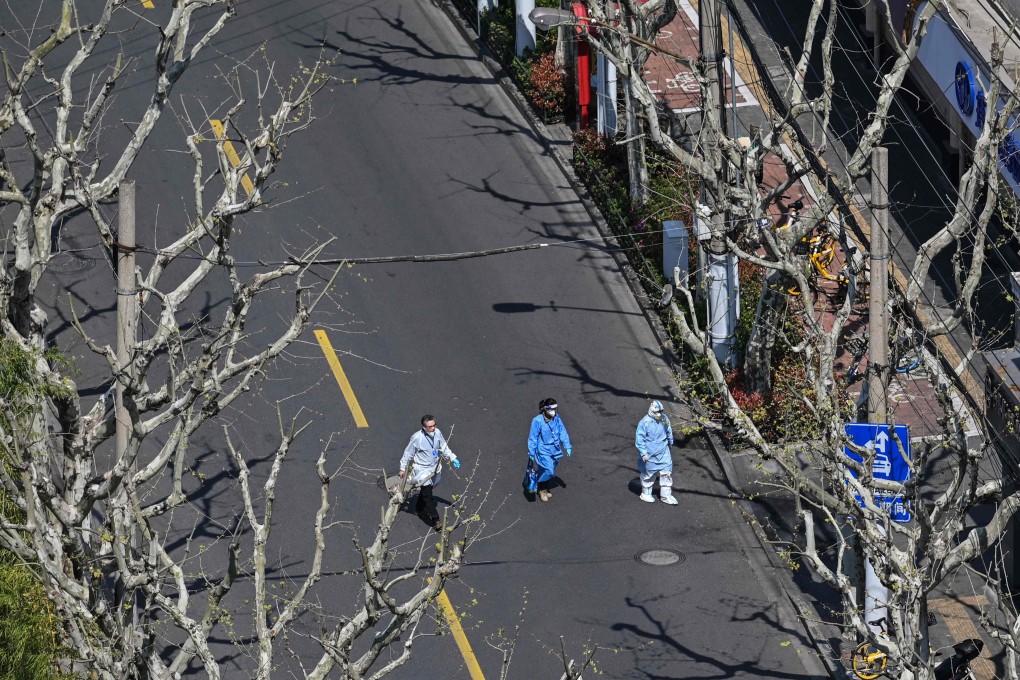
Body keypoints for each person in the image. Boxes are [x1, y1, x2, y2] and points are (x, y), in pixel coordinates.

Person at [399, 415, 460, 530]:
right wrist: (402, 468)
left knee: (427, 490)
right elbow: (408, 453)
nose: (433, 428)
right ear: (424, 427)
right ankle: (436, 519)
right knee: (428, 496)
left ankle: (419, 508)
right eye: (430, 426)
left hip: (434, 469)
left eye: (434, 425)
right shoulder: (417, 438)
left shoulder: (437, 433)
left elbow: (443, 446)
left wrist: (452, 458)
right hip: (422, 470)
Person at [527, 398, 572, 502]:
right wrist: (531, 452)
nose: (553, 412)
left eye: (555, 409)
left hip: (555, 450)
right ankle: (541, 489)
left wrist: (567, 445)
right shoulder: (537, 420)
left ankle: (545, 488)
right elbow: (532, 437)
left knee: (546, 470)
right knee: (549, 470)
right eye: (551, 409)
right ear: (545, 409)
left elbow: (562, 431)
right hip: (543, 450)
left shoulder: (556, 418)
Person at [635, 400, 677, 505]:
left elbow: (668, 430)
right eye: (656, 412)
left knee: (666, 473)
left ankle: (666, 496)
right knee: (649, 475)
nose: (659, 414)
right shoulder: (644, 422)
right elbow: (639, 439)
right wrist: (643, 453)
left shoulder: (664, 418)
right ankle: (646, 494)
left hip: (664, 452)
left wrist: (670, 441)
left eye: (660, 411)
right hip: (650, 454)